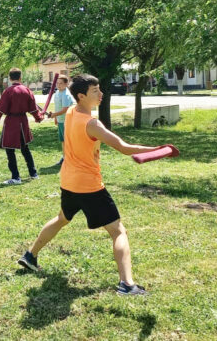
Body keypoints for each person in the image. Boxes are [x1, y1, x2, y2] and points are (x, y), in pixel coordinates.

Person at [17, 74, 164, 296]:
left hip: (69, 181)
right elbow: (123, 147)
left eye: (99, 89)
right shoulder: (91, 124)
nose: (101, 94)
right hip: (89, 186)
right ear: (81, 96)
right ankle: (127, 284)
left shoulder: (71, 111)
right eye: (95, 91)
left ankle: (30, 255)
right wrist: (157, 150)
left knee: (62, 218)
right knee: (118, 231)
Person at [0, 68, 45, 185]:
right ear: (20, 77)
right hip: (23, 122)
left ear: (10, 78)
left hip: (11, 123)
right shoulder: (27, 90)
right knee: (25, 149)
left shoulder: (8, 92)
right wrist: (39, 117)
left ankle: (16, 177)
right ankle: (33, 174)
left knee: (10, 151)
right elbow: (33, 109)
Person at [45, 76, 74, 168]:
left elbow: (65, 109)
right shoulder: (57, 92)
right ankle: (65, 157)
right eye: (57, 83)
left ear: (66, 84)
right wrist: (56, 117)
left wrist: (54, 115)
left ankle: (71, 159)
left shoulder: (66, 95)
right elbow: (58, 106)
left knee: (68, 141)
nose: (58, 85)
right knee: (63, 140)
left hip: (67, 121)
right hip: (61, 120)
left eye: (61, 83)